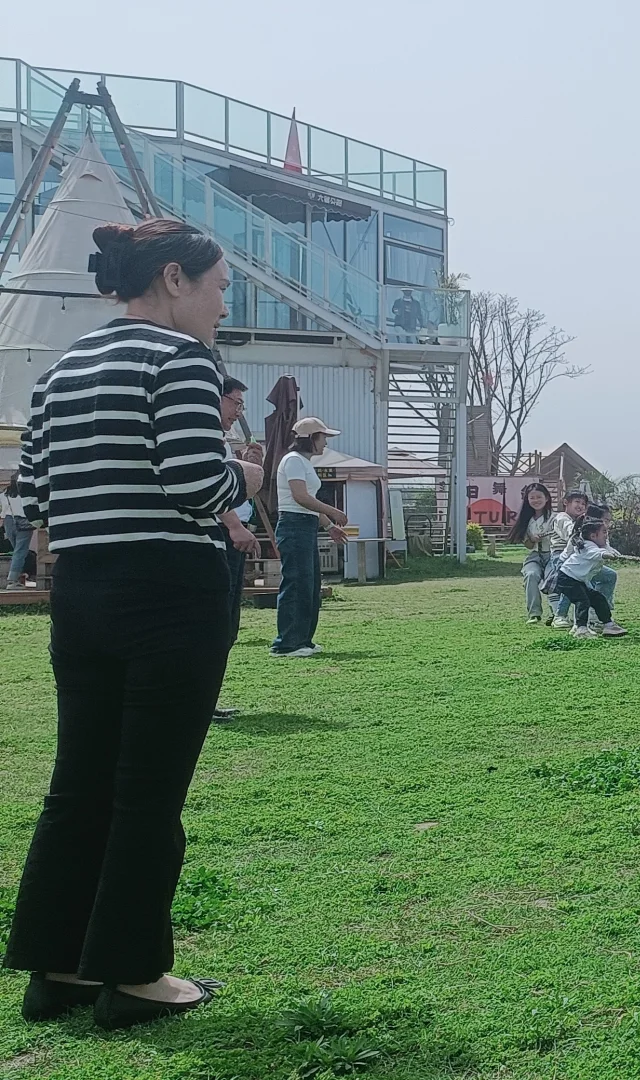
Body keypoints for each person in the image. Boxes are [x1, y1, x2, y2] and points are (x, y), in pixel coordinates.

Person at [6, 218, 261, 1028]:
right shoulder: (183, 359)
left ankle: (57, 967)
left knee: (78, 782)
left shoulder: (61, 368)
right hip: (167, 590)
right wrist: (241, 476)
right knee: (149, 791)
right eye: (220, 287)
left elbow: (34, 500)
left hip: (80, 591)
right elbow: (193, 482)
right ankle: (134, 974)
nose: (223, 305)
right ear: (177, 279)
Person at [269, 417, 348, 658]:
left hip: (305, 525)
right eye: (323, 437)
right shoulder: (293, 461)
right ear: (311, 438)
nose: (325, 443)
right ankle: (286, 643)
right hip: (294, 526)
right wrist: (332, 511)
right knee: (296, 583)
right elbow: (300, 497)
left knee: (309, 585)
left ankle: (303, 639)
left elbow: (306, 504)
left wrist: (328, 526)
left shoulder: (302, 462)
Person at [210, 377, 261, 723]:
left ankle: (207, 696)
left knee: (227, 621)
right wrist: (233, 524)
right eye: (236, 403)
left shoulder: (221, 441)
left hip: (230, 535)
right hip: (221, 536)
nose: (238, 412)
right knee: (216, 620)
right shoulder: (205, 437)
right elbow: (208, 487)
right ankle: (199, 699)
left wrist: (243, 463)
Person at [548, 491, 616, 627]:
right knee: (577, 586)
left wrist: (611, 552)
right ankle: (561, 616)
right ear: (566, 502)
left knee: (609, 575)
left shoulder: (594, 528)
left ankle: (597, 614)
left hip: (586, 561)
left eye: (583, 503)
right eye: (577, 502)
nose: (580, 506)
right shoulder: (568, 521)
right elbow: (574, 538)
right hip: (565, 560)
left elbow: (605, 546)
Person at [552, 519, 625, 638]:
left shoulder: (599, 544)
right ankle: (581, 629)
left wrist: (614, 553)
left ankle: (609, 625)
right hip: (567, 578)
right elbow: (594, 553)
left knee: (598, 598)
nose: (607, 535)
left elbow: (606, 548)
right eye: (604, 532)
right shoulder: (586, 546)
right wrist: (605, 554)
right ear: (593, 536)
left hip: (578, 580)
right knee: (583, 600)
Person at [506, 482, 567, 625]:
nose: (535, 501)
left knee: (553, 579)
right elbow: (528, 545)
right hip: (535, 556)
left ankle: (557, 614)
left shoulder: (556, 517)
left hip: (553, 554)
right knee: (531, 575)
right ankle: (534, 614)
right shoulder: (526, 520)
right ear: (527, 500)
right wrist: (531, 539)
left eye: (539, 497)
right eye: (532, 498)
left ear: (546, 498)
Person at [2, 485, 29, 588]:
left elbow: (3, 510)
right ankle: (12, 580)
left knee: (16, 550)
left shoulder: (4, 493)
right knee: (20, 551)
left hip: (8, 520)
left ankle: (18, 576)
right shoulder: (25, 491)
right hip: (24, 521)